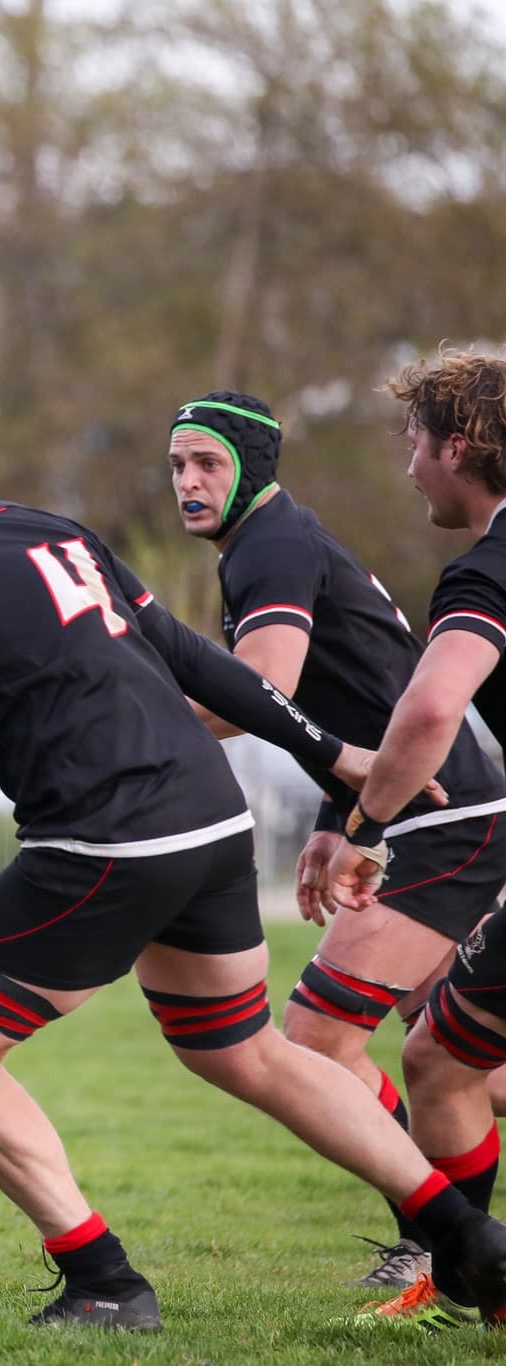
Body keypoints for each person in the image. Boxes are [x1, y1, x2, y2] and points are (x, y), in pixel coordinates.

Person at [0, 374, 506, 1332]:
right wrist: (331, 750)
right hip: (215, 825)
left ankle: (102, 1279)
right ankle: (466, 1234)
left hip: (102, 840)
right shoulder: (46, 528)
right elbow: (192, 655)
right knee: (242, 1049)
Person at [168, 388, 506, 1291]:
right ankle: (452, 1240)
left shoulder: (270, 547)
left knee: (316, 1043)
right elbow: (358, 692)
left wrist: (131, 713)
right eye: (176, 466)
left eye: (207, 464)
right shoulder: (280, 543)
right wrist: (333, 817)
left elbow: (260, 689)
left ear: (254, 468)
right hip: (437, 810)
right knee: (461, 1057)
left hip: (443, 817)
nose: (188, 484)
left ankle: (444, 1243)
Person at [316, 349, 506, 1327]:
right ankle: (472, 1284)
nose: (405, 465)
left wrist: (360, 827)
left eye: (413, 441)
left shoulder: (484, 570)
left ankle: (468, 1281)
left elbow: (429, 707)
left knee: (432, 1058)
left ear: (457, 447)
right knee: (439, 1058)